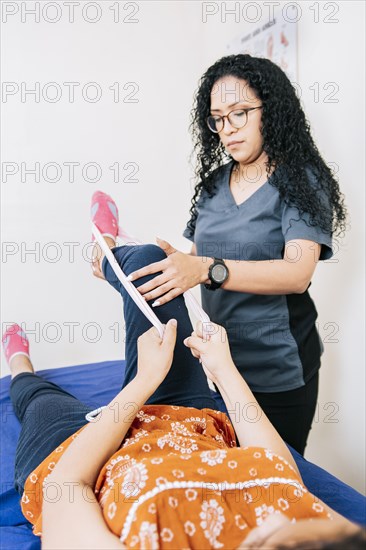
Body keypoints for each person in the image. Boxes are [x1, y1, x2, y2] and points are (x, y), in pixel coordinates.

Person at [4, 192, 363, 549]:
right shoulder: (319, 531)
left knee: (38, 396)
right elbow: (282, 474)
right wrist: (223, 369)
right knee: (151, 261)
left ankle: (19, 362)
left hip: (78, 454)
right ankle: (111, 252)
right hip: (184, 424)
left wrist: (144, 382)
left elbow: (64, 487)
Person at [121, 54, 348, 455]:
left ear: (270, 111)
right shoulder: (213, 186)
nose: (227, 130)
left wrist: (207, 269)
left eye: (240, 114)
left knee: (279, 479)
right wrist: (159, 260)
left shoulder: (300, 182)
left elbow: (297, 273)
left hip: (277, 369)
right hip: (219, 364)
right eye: (218, 119)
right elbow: (195, 258)